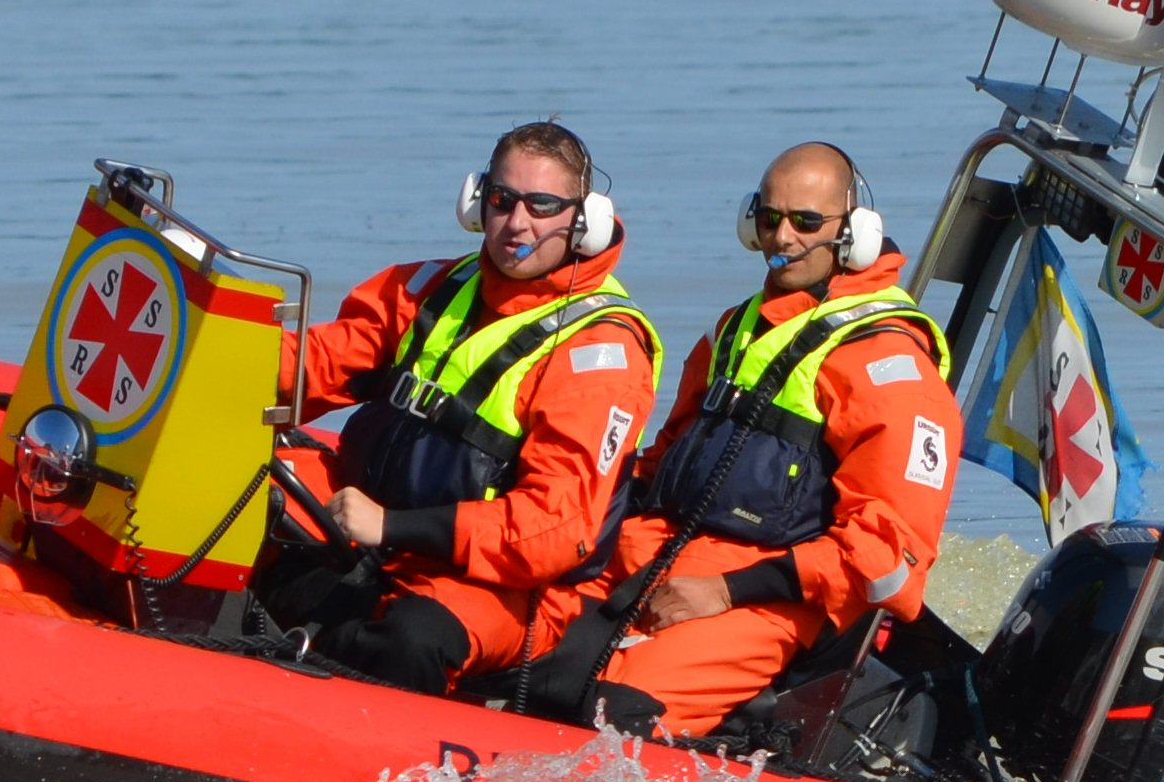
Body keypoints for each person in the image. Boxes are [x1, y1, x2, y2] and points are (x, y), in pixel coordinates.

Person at [525, 141, 959, 740]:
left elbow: (888, 558)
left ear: (854, 234)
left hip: (772, 598)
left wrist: (725, 590)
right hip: (656, 562)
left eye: (807, 222)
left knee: (617, 715)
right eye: (769, 217)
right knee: (522, 667)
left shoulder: (889, 367)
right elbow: (660, 463)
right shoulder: (731, 331)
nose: (783, 237)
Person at [270, 121, 663, 694]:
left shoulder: (599, 355)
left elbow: (552, 531)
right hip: (367, 526)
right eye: (503, 201)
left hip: (502, 582)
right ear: (477, 202)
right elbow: (314, 364)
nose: (518, 223)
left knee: (412, 638)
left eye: (543, 205)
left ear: (584, 222)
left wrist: (393, 526)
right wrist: (203, 342)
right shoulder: (429, 287)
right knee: (244, 494)